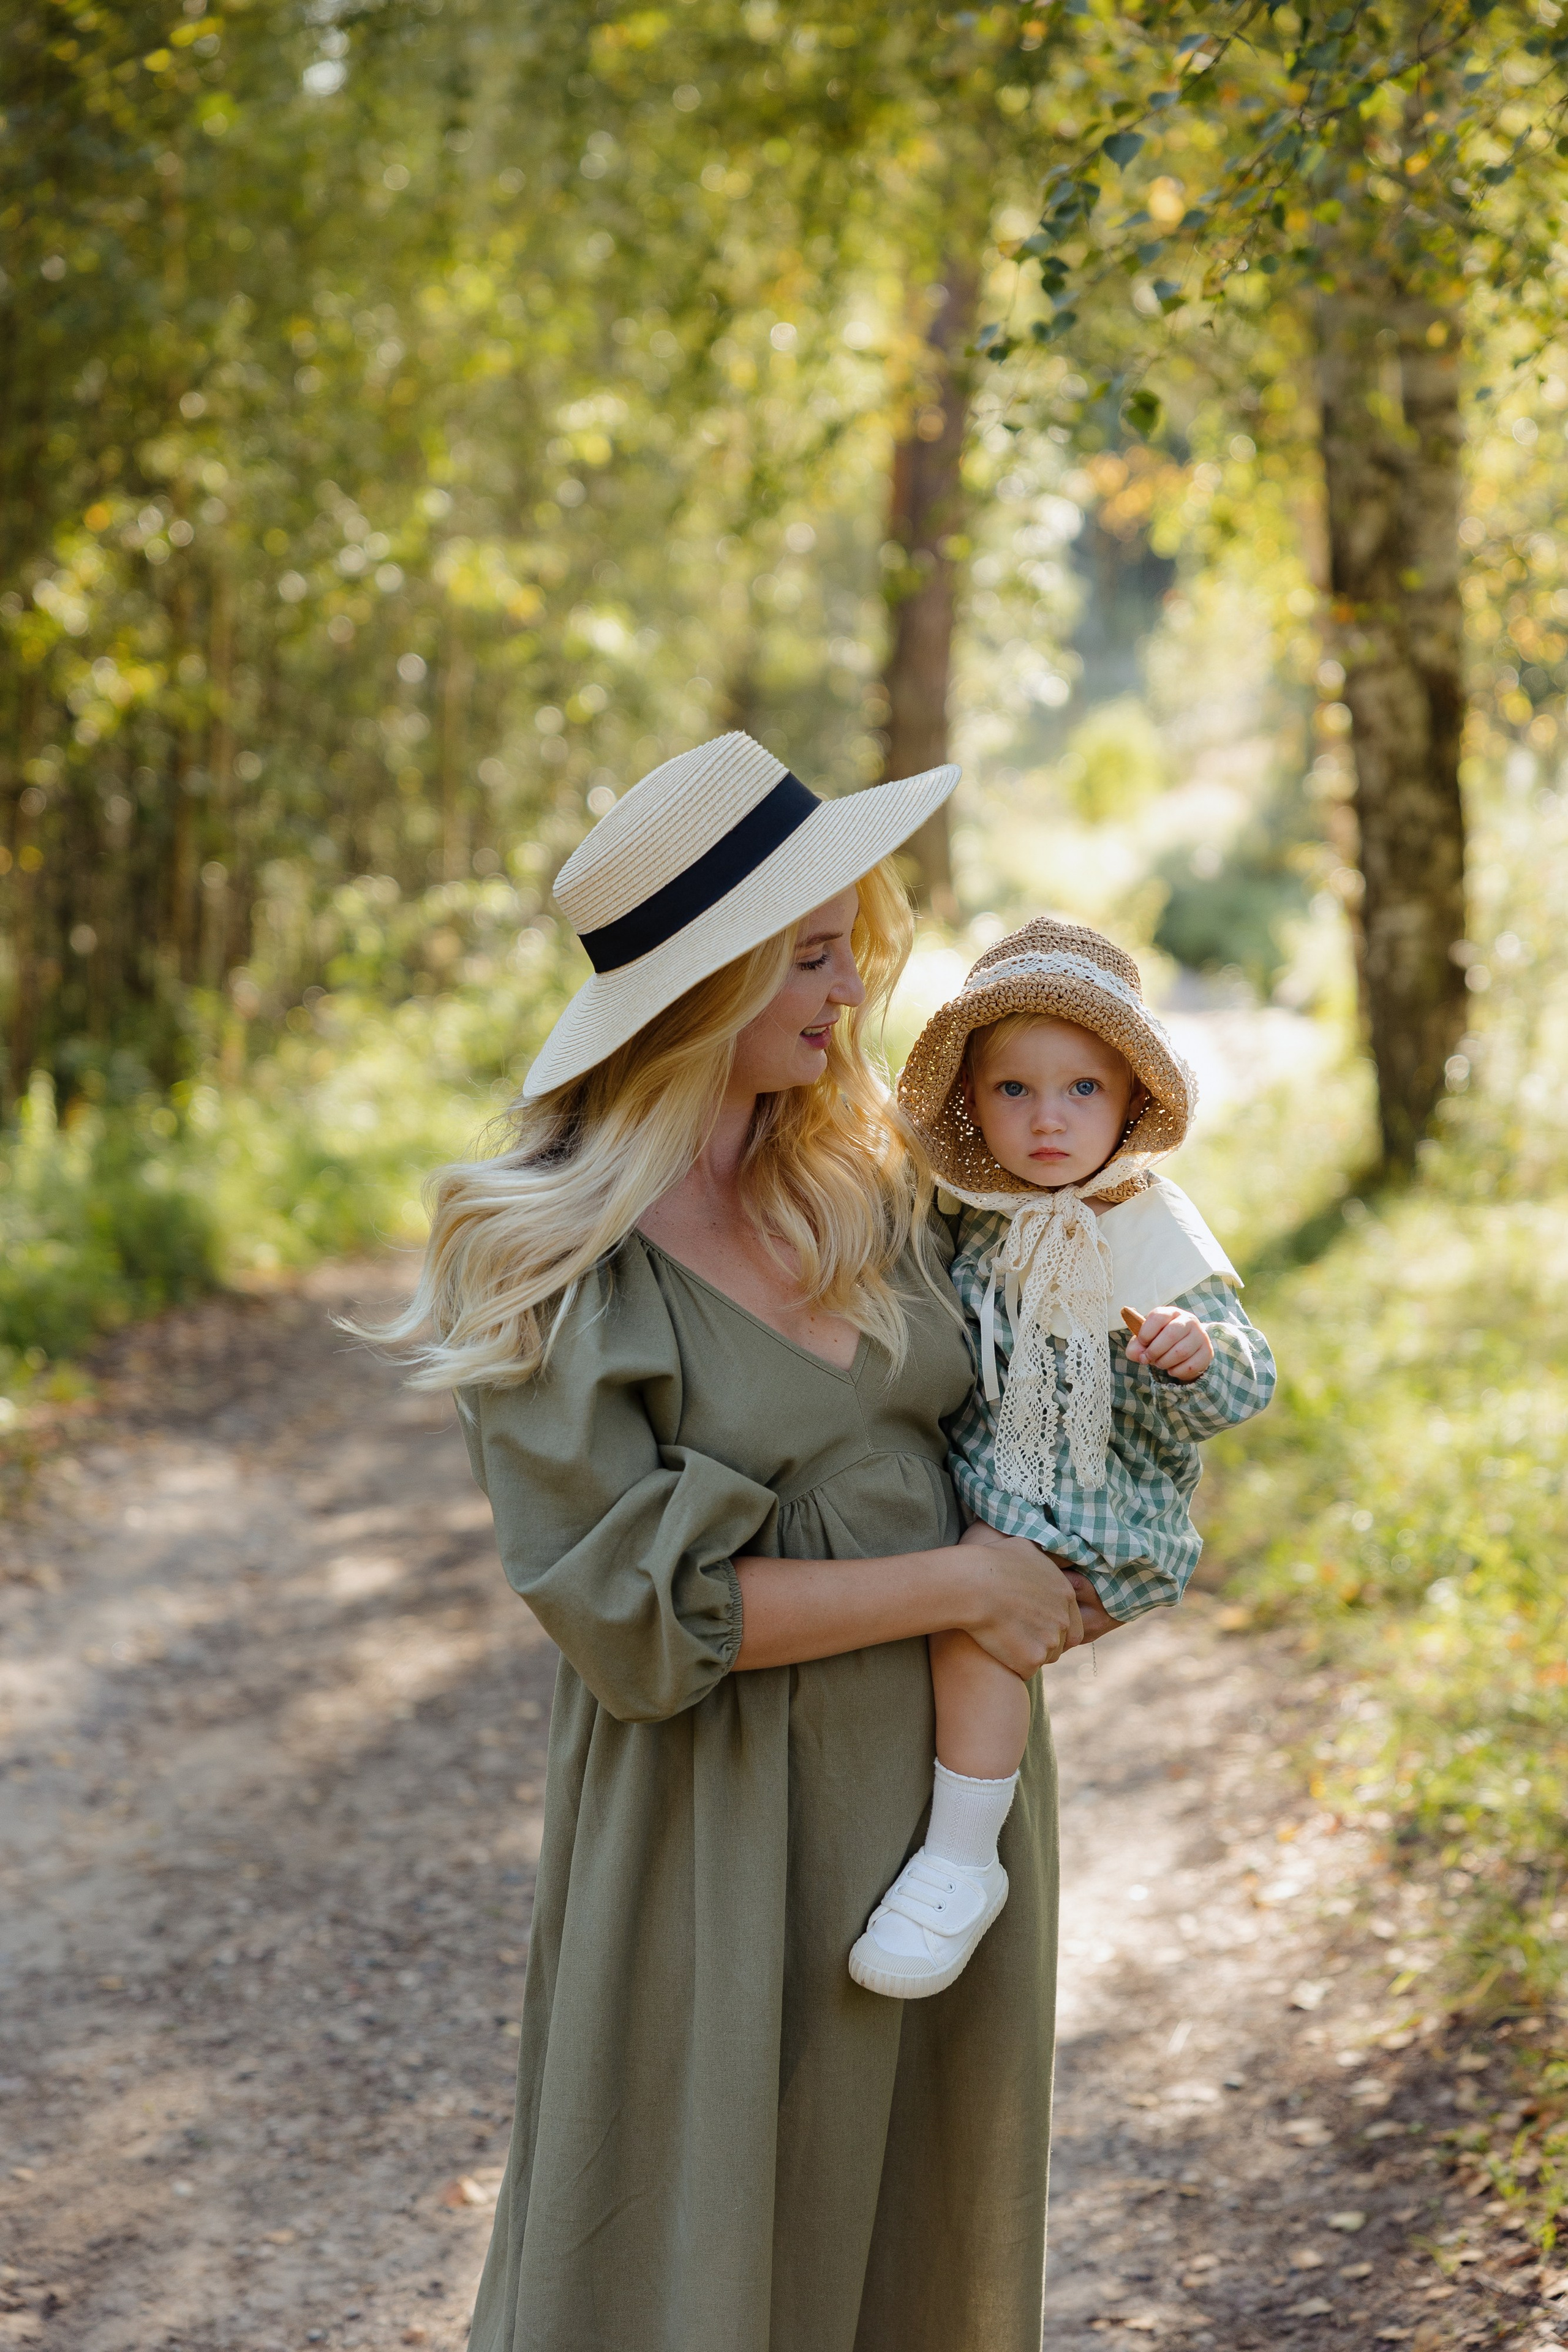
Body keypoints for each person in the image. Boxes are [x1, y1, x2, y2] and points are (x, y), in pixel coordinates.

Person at [377, 736, 1082, 2352]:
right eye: (814, 956)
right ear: (708, 979)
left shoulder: (863, 1182)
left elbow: (1032, 1376)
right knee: (690, 2244)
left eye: (854, 948)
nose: (854, 993)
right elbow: (635, 1612)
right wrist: (968, 1581)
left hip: (945, 1807)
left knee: (919, 2223)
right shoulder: (553, 1250)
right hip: (718, 1823)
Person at [848, 918, 1276, 2000]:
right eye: (1015, 1092)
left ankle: (959, 1860)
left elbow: (1248, 1371)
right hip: (1004, 1481)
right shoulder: (975, 1214)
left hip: (1098, 1500)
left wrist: (1194, 1355)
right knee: (958, 1603)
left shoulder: (1146, 1221)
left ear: (1131, 1101)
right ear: (973, 1106)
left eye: (1083, 1090)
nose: (1049, 1121)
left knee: (976, 1623)